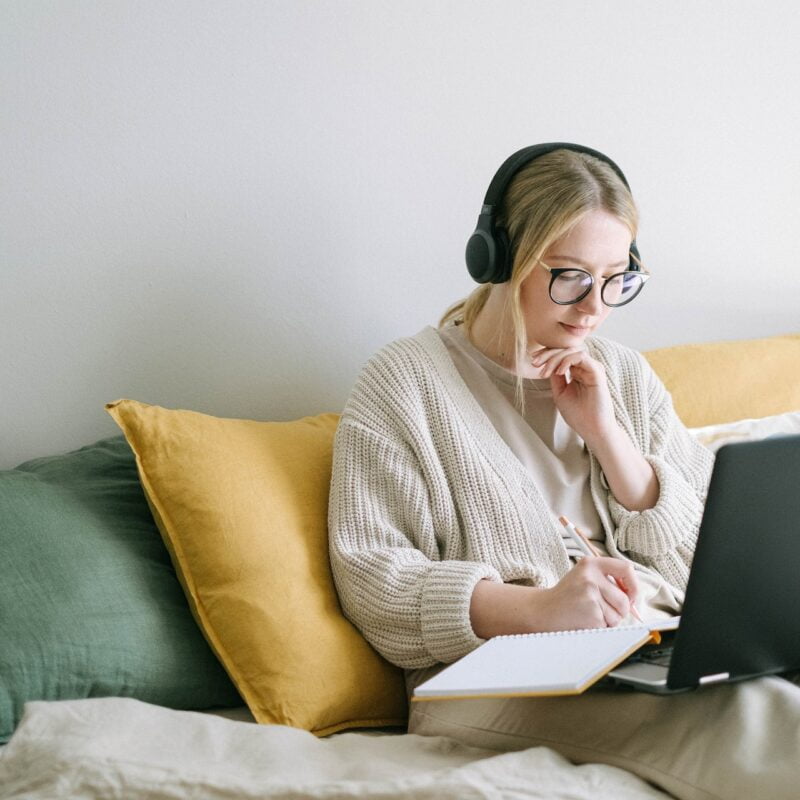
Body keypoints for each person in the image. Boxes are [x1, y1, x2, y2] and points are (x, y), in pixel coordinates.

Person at [327, 143, 800, 800]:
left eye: (616, 280)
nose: (593, 308)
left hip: (656, 651)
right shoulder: (404, 384)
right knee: (766, 725)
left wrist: (611, 440)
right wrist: (542, 608)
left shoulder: (623, 375)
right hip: (492, 683)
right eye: (571, 276)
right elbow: (374, 582)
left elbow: (713, 564)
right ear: (499, 259)